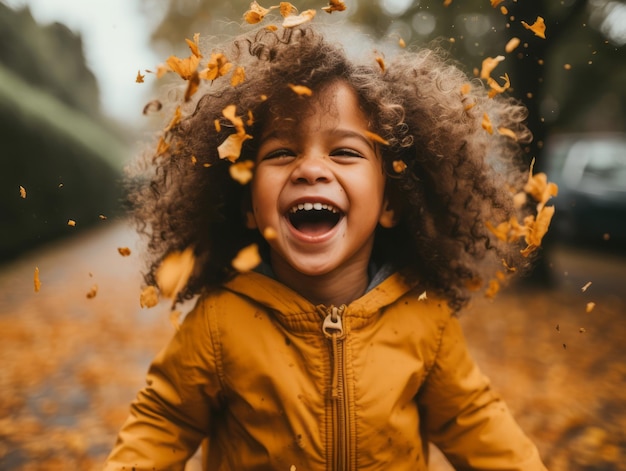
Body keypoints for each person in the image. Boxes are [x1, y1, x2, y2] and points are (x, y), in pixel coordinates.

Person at [105, 16, 549, 471]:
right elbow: (161, 422)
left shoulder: (425, 319)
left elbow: (472, 418)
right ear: (247, 205)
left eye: (344, 152)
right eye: (281, 152)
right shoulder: (218, 325)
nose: (311, 169)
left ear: (391, 203)